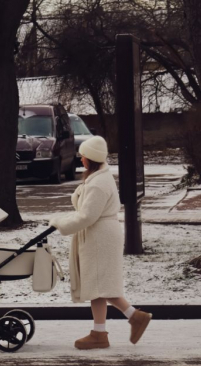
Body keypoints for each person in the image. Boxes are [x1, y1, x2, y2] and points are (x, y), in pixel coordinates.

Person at [49, 136, 152, 350]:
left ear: (90, 159)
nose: (81, 159)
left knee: (99, 285)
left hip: (99, 237)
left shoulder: (98, 183)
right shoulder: (97, 178)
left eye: (83, 156)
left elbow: (87, 216)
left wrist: (61, 224)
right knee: (98, 286)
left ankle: (120, 324)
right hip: (100, 235)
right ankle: (111, 327)